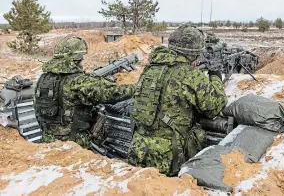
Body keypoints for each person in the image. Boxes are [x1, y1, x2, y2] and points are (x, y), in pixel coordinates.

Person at [128, 24, 227, 176]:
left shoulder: (151, 69)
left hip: (139, 147)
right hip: (168, 155)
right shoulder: (190, 75)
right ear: (194, 52)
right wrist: (215, 74)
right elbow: (215, 105)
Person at [34, 36, 135, 148]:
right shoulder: (78, 81)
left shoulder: (43, 79)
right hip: (73, 144)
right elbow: (112, 93)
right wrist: (137, 88)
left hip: (48, 140)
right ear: (77, 59)